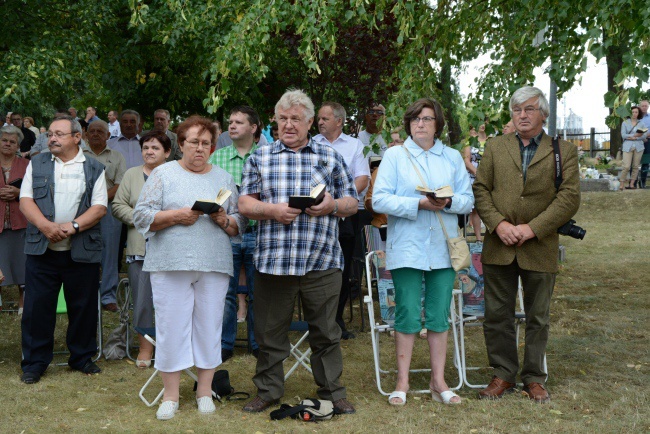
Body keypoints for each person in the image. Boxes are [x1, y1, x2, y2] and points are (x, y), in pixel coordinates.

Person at [238, 89, 358, 415]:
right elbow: (244, 203)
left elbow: (352, 202)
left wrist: (333, 205)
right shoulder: (259, 158)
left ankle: (333, 392)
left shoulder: (330, 156)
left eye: (296, 119)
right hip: (273, 260)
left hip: (322, 259)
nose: (288, 125)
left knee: (326, 332)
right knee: (269, 332)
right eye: (283, 119)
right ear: (275, 121)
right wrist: (273, 210)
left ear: (309, 122)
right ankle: (268, 391)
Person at [133, 116, 245, 420]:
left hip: (214, 262)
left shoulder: (223, 176)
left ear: (212, 146)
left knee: (210, 327)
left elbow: (239, 221)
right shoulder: (163, 174)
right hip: (170, 263)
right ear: (181, 144)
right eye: (193, 142)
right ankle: (170, 395)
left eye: (206, 143)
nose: (200, 148)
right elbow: (141, 215)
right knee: (171, 328)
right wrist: (176, 216)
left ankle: (204, 391)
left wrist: (225, 221)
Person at [473, 86, 580, 403]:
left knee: (538, 317)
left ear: (543, 114)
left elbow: (569, 198)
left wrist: (533, 229)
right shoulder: (495, 146)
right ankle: (503, 374)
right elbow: (481, 190)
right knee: (496, 316)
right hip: (499, 245)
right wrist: (499, 224)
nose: (522, 115)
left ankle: (534, 378)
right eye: (517, 109)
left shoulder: (563, 151)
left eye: (529, 109)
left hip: (539, 245)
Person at [372, 98, 473, 406]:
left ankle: (438, 381)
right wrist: (418, 203)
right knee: (405, 313)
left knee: (440, 314)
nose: (420, 123)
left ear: (437, 124)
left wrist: (447, 202)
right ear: (408, 124)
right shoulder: (394, 156)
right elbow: (379, 201)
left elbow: (468, 200)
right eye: (415, 119)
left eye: (427, 119)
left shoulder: (453, 157)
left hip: (443, 248)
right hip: (407, 247)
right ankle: (401, 381)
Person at [19, 115, 108, 384]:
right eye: (50, 135)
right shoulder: (37, 163)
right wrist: (46, 226)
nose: (52, 139)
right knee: (37, 308)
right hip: (42, 249)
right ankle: (35, 363)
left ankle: (81, 358)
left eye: (59, 134)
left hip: (81, 248)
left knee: (83, 307)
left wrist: (74, 226)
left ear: (76, 138)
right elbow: (25, 200)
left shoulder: (93, 167)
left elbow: (100, 207)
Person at [112, 130, 171, 368]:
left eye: (155, 148)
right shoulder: (131, 175)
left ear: (167, 152)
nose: (149, 152)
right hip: (139, 247)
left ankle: (169, 348)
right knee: (143, 299)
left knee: (170, 299)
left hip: (170, 246)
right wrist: (142, 219)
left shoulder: (175, 174)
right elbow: (117, 205)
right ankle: (145, 348)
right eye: (146, 147)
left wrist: (162, 220)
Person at [208, 106, 262, 362]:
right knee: (225, 292)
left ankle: (257, 343)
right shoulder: (216, 157)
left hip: (260, 233)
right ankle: (225, 344)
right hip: (225, 233)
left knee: (258, 292)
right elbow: (211, 192)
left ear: (253, 127)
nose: (231, 126)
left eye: (238, 122)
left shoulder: (267, 155)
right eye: (230, 122)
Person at [314, 101, 370, 340]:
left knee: (344, 267)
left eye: (325, 118)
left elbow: (363, 179)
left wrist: (339, 201)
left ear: (339, 121)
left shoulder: (355, 145)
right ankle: (316, 321)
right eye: (319, 118)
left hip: (345, 215)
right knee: (316, 267)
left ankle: (336, 320)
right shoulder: (312, 143)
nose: (320, 122)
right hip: (314, 213)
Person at [84, 121, 126, 312]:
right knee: (83, 251)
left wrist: (99, 200)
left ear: (108, 135)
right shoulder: (78, 156)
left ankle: (108, 296)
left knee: (110, 253)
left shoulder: (117, 156)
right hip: (82, 210)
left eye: (100, 131)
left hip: (109, 209)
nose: (95, 134)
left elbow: (120, 185)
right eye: (91, 131)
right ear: (85, 135)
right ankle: (87, 294)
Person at [0, 125, 29, 315]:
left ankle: (23, 305)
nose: (8, 144)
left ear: (18, 145)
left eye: (12, 141)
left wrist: (18, 192)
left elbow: (35, 192)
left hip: (21, 222)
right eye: (4, 140)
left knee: (23, 266)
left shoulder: (27, 165)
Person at [619, 106, 648, 190]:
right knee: (626, 166)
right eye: (633, 112)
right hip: (627, 146)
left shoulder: (641, 123)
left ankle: (632, 184)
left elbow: (644, 135)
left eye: (636, 112)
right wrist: (635, 135)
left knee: (636, 166)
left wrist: (635, 138)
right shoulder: (625, 123)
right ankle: (622, 183)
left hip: (639, 147)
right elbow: (623, 135)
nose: (634, 114)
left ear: (638, 114)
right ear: (629, 113)